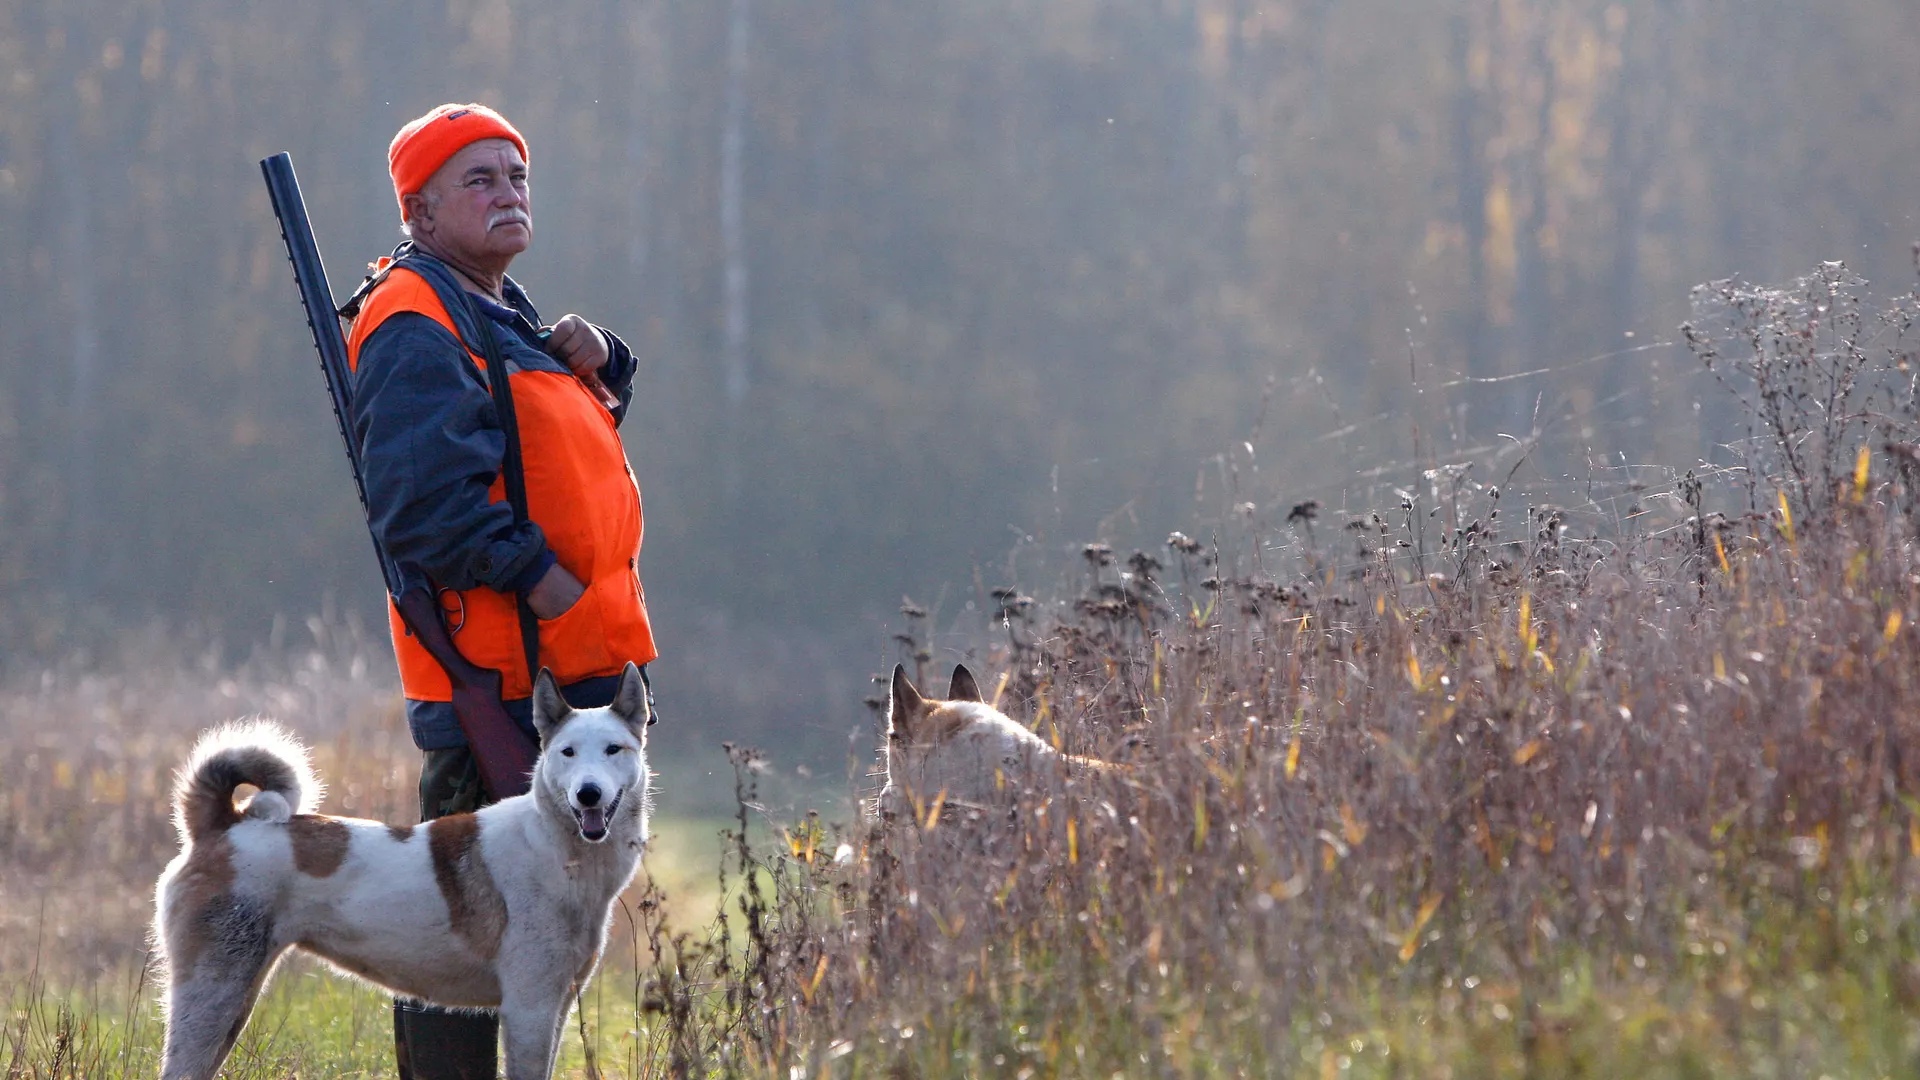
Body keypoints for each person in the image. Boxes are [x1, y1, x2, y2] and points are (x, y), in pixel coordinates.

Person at [343, 102, 659, 1080]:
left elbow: (545, 455)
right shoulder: (414, 322)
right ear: (421, 213)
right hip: (501, 688)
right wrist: (545, 579)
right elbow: (424, 510)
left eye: (516, 176)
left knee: (530, 943)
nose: (508, 192)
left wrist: (608, 364)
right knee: (454, 947)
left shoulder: (492, 306)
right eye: (478, 179)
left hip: (564, 687)